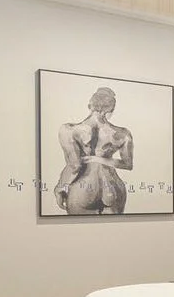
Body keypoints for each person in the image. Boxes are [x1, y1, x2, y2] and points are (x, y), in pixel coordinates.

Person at [54, 86, 134, 214]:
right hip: (113, 188)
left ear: (89, 105)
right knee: (116, 231)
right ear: (111, 109)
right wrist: (100, 159)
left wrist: (60, 187)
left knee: (79, 232)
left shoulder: (69, 130)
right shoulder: (123, 134)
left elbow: (74, 166)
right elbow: (128, 165)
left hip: (83, 188)